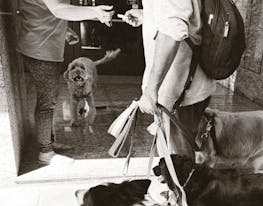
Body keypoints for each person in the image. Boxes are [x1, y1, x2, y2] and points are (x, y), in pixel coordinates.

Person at [17, 0, 114, 165]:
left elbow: (42, 11)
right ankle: (45, 152)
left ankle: (48, 142)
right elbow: (58, 9)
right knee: (47, 103)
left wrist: (64, 30)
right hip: (41, 50)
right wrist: (95, 12)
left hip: (42, 45)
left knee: (49, 100)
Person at [121, 0, 216, 159]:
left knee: (178, 162)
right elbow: (182, 14)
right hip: (191, 83)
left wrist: (151, 89)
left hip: (177, 90)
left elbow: (173, 31)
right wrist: (148, 15)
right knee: (180, 156)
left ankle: (181, 183)